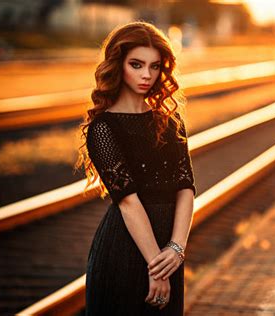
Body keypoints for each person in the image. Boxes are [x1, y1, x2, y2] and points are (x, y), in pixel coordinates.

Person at [74, 21, 196, 315]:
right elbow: (128, 204)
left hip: (168, 253)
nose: (146, 75)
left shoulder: (170, 121)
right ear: (118, 65)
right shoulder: (103, 129)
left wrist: (176, 249)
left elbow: (186, 187)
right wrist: (157, 267)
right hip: (126, 249)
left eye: (155, 67)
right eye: (137, 64)